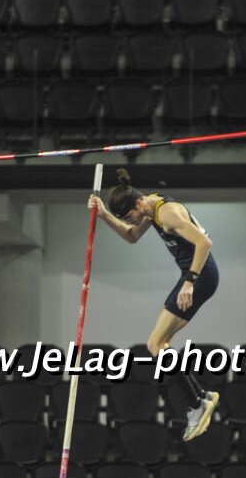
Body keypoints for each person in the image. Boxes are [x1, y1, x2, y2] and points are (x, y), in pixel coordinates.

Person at [89, 168, 220, 441]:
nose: (131, 221)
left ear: (138, 204)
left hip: (200, 277)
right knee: (161, 344)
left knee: (155, 345)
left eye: (129, 216)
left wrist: (189, 282)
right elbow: (132, 236)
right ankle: (202, 398)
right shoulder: (149, 208)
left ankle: (197, 404)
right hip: (196, 276)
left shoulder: (167, 213)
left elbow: (204, 243)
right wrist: (104, 215)